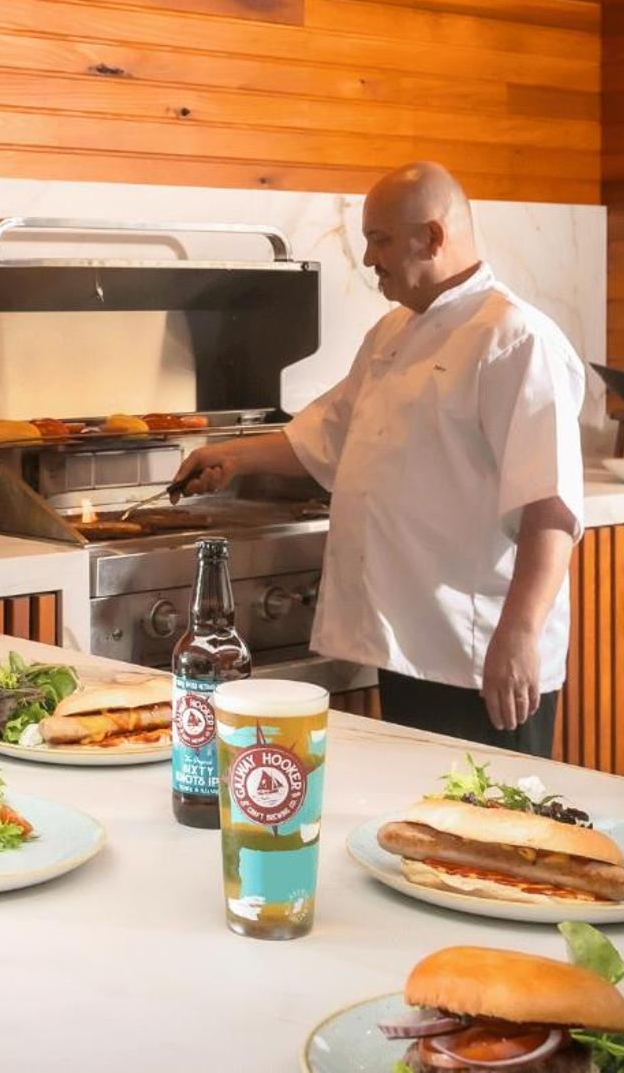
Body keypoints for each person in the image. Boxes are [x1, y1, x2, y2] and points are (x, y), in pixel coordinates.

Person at [173, 161, 585, 754]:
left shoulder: (516, 338)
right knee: (416, 809)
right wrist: (233, 455)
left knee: (490, 809)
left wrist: (519, 635)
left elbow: (550, 507)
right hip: (406, 645)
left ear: (433, 237)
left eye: (381, 239)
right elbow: (330, 435)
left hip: (479, 651)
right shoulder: (392, 332)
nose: (369, 258)